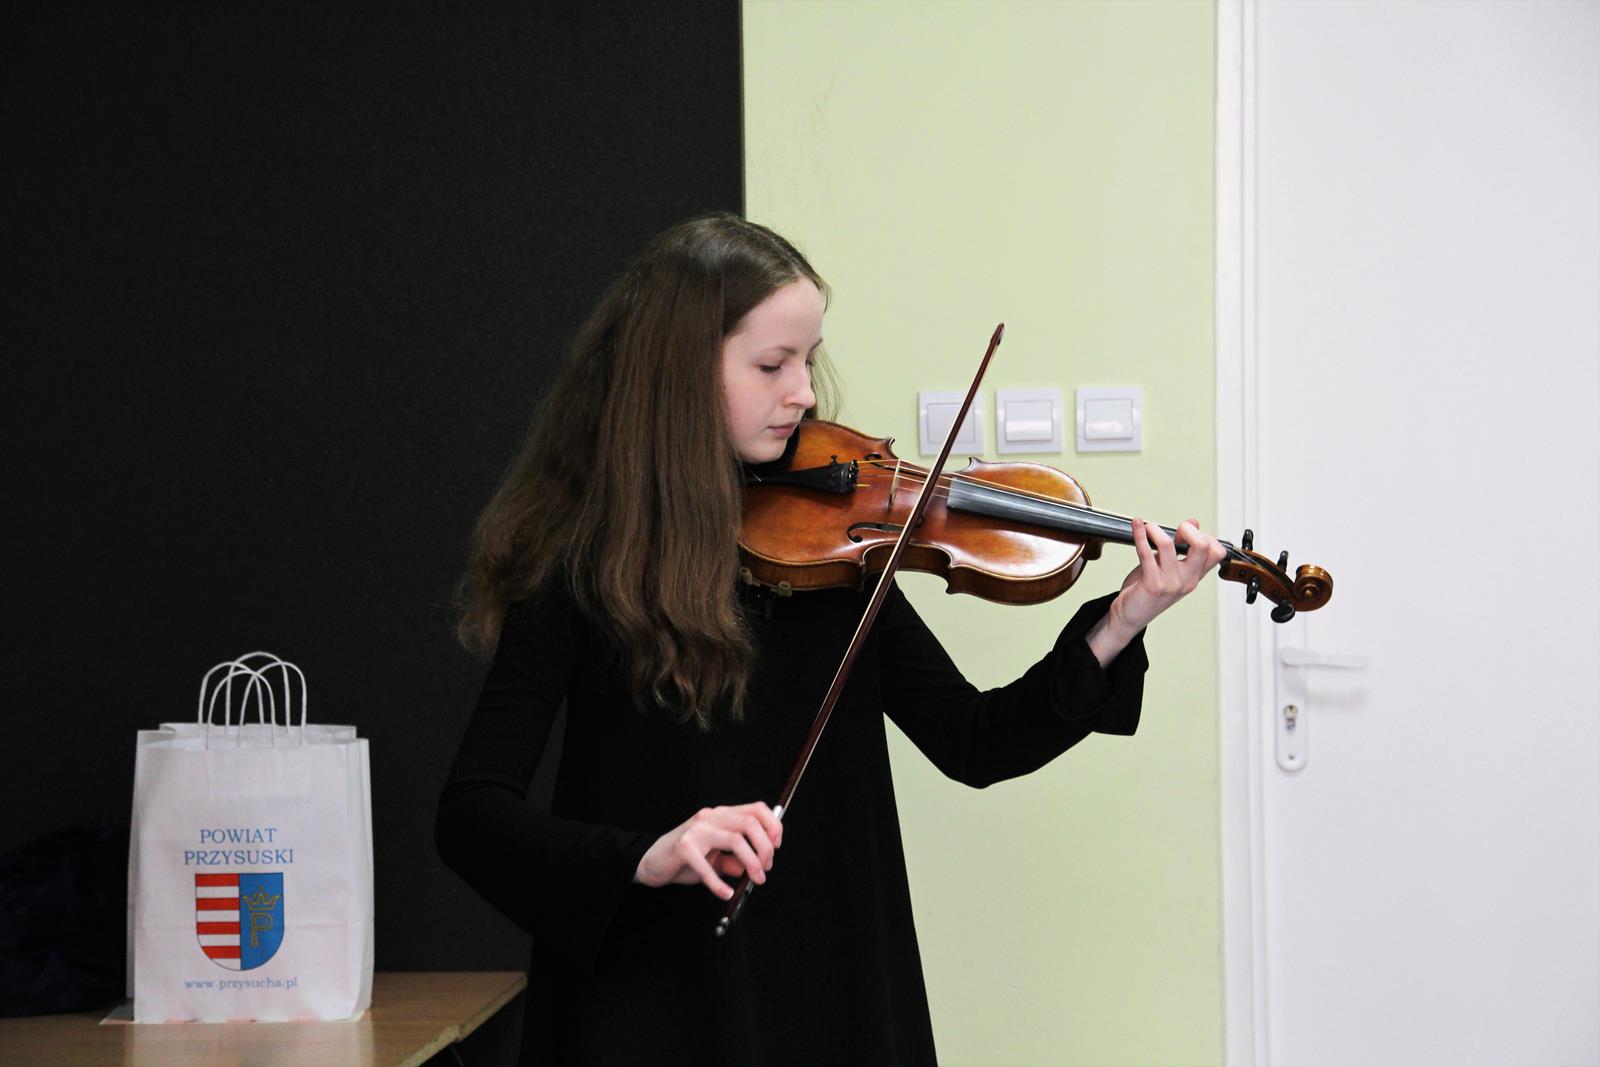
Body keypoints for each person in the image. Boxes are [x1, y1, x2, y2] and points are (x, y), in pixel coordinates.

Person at [435, 213, 1227, 1065]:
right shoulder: (579, 564)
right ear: (678, 373)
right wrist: (646, 856)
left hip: (832, 985)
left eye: (808, 360)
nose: (805, 392)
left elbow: (975, 739)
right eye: (772, 364)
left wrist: (1122, 620)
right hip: (656, 1003)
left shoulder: (836, 549)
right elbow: (472, 813)